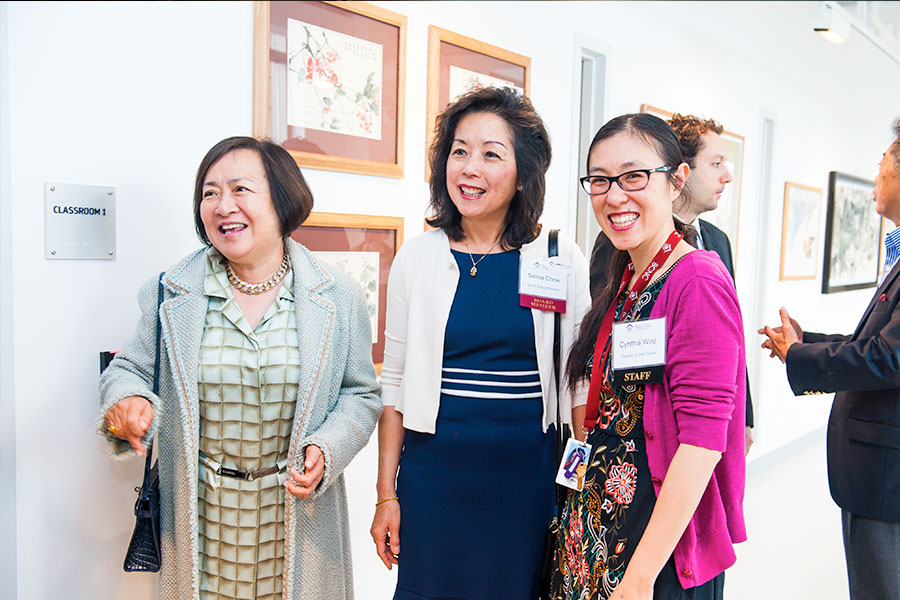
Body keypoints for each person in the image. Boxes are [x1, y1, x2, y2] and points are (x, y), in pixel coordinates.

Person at [98, 136, 381, 600]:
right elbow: (127, 369)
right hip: (203, 520)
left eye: (240, 189)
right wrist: (126, 399)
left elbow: (361, 394)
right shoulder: (169, 292)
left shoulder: (338, 295)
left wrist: (327, 448)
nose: (222, 205)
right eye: (210, 193)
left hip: (297, 518)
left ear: (282, 199)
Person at [369, 86, 591, 600]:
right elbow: (395, 383)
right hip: (434, 479)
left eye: (492, 154)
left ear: (522, 174)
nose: (470, 168)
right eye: (459, 150)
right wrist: (385, 495)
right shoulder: (418, 258)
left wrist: (580, 493)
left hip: (525, 482)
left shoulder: (558, 257)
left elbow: (579, 386)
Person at [552, 113, 747, 599]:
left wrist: (638, 579)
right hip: (601, 531)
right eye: (600, 180)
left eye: (634, 176)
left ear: (675, 180)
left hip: (651, 553)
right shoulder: (628, 278)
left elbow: (702, 445)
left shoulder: (696, 280)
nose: (615, 195)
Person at [759, 118, 900, 600]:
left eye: (884, 159)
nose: (877, 171)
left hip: (887, 480)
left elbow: (888, 358)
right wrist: (806, 340)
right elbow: (874, 338)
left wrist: (799, 355)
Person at [589, 113, 755, 453]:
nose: (726, 175)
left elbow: (725, 349)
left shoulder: (708, 258)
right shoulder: (620, 246)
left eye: (633, 177)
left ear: (675, 179)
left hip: (672, 447)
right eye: (716, 162)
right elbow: (600, 340)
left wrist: (743, 415)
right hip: (627, 434)